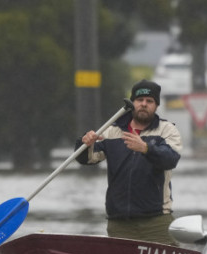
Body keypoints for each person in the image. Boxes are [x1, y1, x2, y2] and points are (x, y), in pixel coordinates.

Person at [76, 79, 183, 245]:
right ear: (133, 103)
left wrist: (146, 148)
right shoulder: (111, 131)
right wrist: (84, 143)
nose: (144, 104)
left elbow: (170, 159)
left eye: (150, 101)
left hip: (156, 220)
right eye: (140, 100)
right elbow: (87, 159)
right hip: (119, 222)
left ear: (156, 106)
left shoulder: (167, 130)